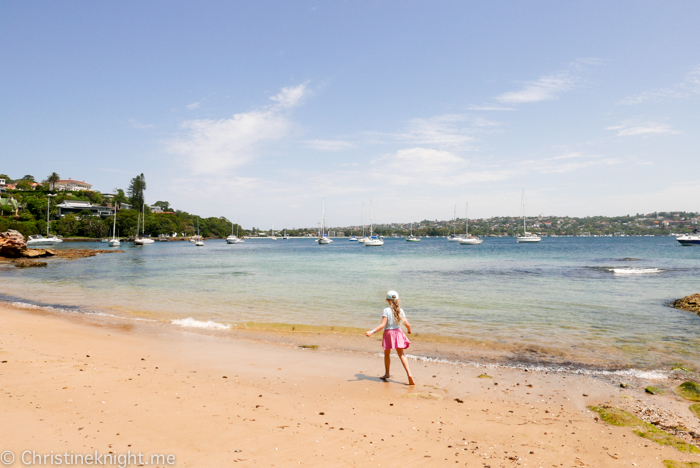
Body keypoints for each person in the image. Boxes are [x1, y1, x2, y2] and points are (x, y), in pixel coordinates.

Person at [365, 290, 415, 385]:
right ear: (397, 300)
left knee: (387, 354)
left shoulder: (386, 310)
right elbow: (406, 323)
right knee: (401, 354)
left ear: (387, 300)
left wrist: (372, 332)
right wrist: (409, 330)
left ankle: (387, 373)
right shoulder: (400, 310)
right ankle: (409, 374)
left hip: (388, 333)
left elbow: (383, 325)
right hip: (398, 332)